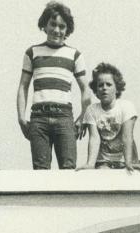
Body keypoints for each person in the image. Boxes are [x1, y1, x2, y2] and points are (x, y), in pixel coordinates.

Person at [17, 3, 89, 170]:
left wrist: (83, 116)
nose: (57, 30)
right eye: (53, 24)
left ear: (67, 30)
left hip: (64, 117)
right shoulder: (32, 52)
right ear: (45, 24)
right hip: (39, 118)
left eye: (62, 26)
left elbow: (85, 89)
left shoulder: (75, 55)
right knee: (41, 171)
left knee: (68, 169)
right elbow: (23, 87)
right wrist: (21, 116)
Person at [81, 62, 140, 171]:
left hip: (124, 159)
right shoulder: (92, 110)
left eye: (108, 84)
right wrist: (90, 164)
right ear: (96, 90)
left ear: (117, 88)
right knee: (102, 173)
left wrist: (128, 162)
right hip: (103, 162)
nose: (104, 88)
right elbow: (94, 138)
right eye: (100, 85)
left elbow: (127, 136)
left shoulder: (126, 106)